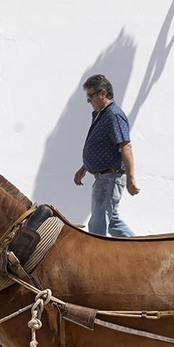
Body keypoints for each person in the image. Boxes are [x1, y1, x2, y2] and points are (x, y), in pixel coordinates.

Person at [73, 74, 138, 237]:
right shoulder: (101, 115)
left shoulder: (113, 115)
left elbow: (126, 146)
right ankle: (141, 250)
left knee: (97, 225)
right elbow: (101, 145)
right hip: (104, 177)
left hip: (110, 177)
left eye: (90, 96)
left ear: (102, 93)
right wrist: (85, 168)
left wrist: (131, 178)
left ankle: (95, 261)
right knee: (112, 222)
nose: (89, 101)